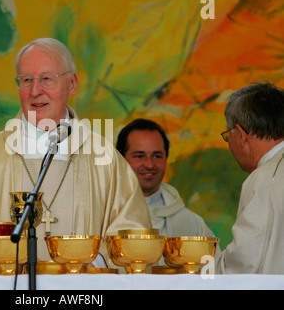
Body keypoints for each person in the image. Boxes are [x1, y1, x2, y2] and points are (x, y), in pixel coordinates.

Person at [0, 38, 152, 267]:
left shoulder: (105, 159)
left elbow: (135, 237)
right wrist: (8, 267)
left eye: (47, 79)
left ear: (72, 84)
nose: (35, 91)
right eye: (26, 80)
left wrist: (94, 264)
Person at [216, 82, 284, 274]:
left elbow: (244, 264)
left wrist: (206, 268)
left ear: (242, 135)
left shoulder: (264, 179)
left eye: (228, 134)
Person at [116, 119, 215, 238]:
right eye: (139, 156)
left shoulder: (191, 224)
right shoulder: (101, 215)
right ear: (120, 160)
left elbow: (211, 257)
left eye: (157, 156)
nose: (149, 165)